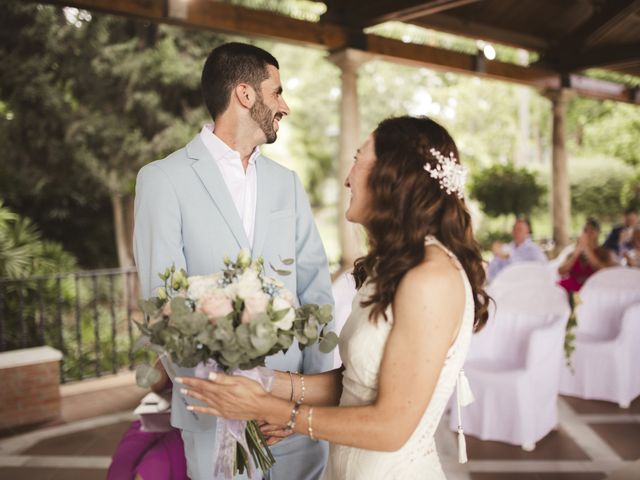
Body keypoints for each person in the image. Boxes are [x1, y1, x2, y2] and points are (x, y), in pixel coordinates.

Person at [177, 116, 490, 479]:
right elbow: (357, 382)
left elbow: (390, 427)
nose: (347, 177)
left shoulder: (431, 278)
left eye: (359, 160)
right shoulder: (399, 268)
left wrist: (275, 410)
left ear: (393, 177)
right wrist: (264, 381)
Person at [133, 42, 334, 479]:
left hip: (293, 421)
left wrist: (303, 399)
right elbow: (163, 302)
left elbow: (315, 290)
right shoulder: (162, 180)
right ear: (245, 94)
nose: (285, 105)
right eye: (276, 91)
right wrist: (225, 397)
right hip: (214, 417)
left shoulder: (287, 184)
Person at [107, 362, 187, 480]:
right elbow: (157, 387)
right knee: (121, 467)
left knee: (154, 469)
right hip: (159, 416)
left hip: (192, 424)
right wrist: (162, 361)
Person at [558, 218, 615, 294]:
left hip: (595, 290)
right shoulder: (573, 253)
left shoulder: (605, 253)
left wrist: (588, 251)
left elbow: (605, 271)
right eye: (585, 230)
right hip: (574, 292)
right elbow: (561, 271)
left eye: (592, 230)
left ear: (598, 233)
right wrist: (576, 253)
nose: (588, 233)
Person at [487, 217, 547, 282]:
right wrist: (496, 254)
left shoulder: (534, 250)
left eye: (520, 229)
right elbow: (492, 274)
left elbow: (543, 269)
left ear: (527, 231)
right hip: (505, 286)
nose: (516, 232)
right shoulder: (505, 248)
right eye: (514, 229)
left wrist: (507, 257)